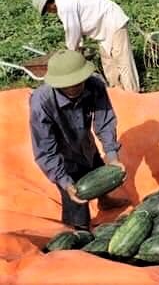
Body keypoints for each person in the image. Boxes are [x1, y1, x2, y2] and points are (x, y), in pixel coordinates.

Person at [29, 50, 129, 231]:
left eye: (78, 81)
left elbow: (104, 121)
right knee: (76, 198)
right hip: (62, 153)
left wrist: (113, 157)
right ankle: (77, 229)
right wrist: (64, 182)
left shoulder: (95, 85)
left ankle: (104, 201)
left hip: (85, 142)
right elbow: (45, 149)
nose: (74, 87)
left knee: (98, 168)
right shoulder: (41, 102)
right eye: (68, 84)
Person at [32, 0, 140, 92]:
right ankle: (117, 93)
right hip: (104, 28)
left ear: (49, 6)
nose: (50, 13)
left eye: (47, 11)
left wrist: (70, 55)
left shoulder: (65, 5)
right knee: (108, 63)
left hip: (113, 21)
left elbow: (73, 30)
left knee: (122, 61)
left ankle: (132, 94)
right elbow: (78, 27)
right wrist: (78, 47)